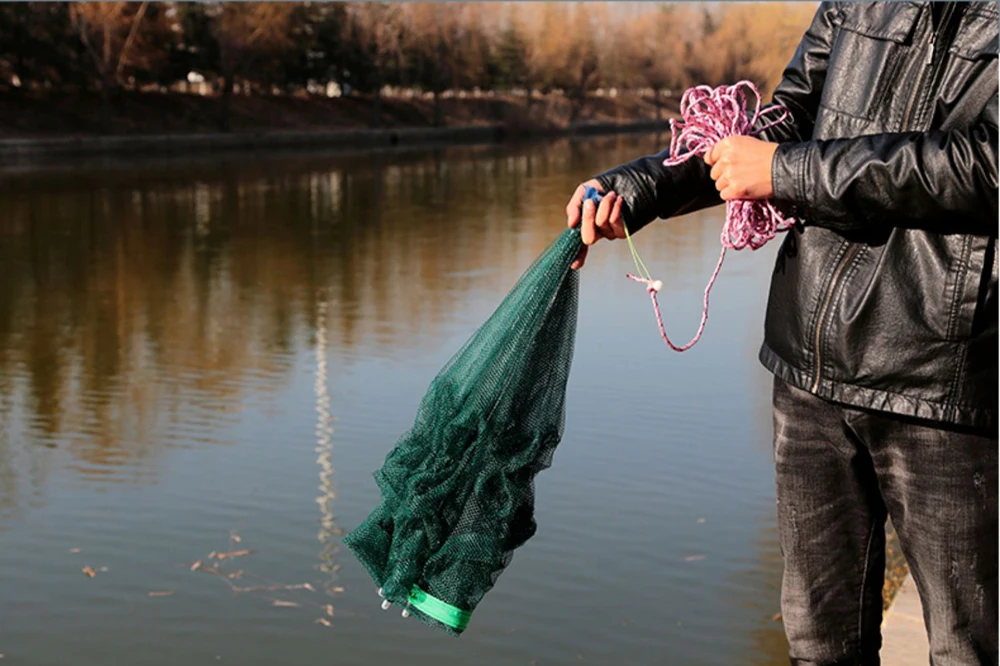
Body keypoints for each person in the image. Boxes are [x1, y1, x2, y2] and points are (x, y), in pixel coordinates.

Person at [566, 3, 998, 665]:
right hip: (809, 370)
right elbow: (787, 116)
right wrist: (646, 187)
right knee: (819, 649)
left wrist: (786, 171)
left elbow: (986, 165)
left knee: (969, 649)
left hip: (946, 384)